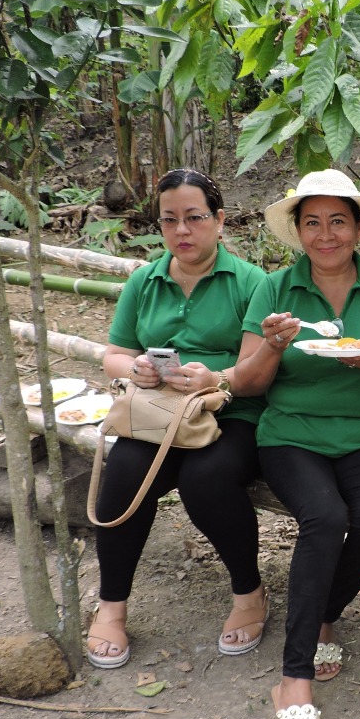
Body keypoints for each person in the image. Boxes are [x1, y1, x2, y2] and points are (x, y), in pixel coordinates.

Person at [232, 168, 360, 719]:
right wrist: (271, 344)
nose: (326, 235)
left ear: (358, 228)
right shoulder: (274, 289)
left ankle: (321, 610)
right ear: (298, 231)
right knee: (326, 518)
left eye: (337, 221)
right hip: (291, 434)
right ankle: (293, 678)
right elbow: (247, 382)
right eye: (312, 222)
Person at [87, 169, 269, 669]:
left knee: (206, 478)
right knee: (123, 472)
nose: (182, 231)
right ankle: (111, 605)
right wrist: (138, 369)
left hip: (232, 410)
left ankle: (249, 594)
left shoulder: (252, 282)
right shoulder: (145, 280)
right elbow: (115, 354)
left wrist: (216, 378)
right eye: (170, 221)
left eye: (194, 218)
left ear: (220, 221)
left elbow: (256, 368)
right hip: (157, 410)